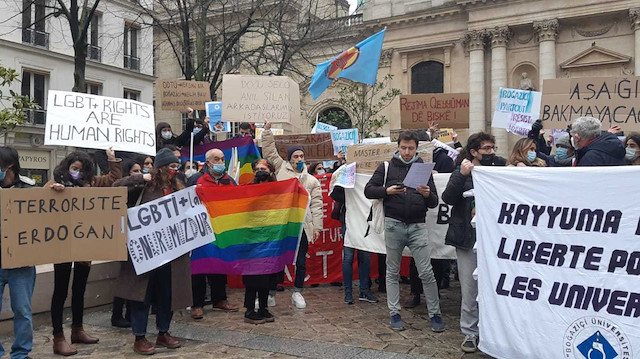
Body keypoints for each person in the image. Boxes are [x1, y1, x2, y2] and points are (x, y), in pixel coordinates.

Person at [364, 131, 445, 332]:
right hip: (394, 224)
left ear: (416, 148)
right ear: (398, 147)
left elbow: (434, 202)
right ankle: (394, 313)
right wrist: (387, 191)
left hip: (417, 225)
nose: (407, 152)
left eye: (411, 148)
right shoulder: (387, 167)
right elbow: (368, 190)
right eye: (403, 148)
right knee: (392, 271)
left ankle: (435, 314)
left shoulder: (423, 169)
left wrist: (427, 194)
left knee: (426, 272)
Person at [113, 148, 191, 355]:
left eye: (177, 166)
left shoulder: (179, 188)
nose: (175, 170)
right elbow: (115, 186)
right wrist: (139, 177)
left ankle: (163, 332)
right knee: (142, 294)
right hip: (146, 251)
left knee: (168, 293)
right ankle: (139, 336)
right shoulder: (144, 185)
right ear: (161, 168)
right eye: (171, 166)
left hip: (172, 251)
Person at [47, 148, 122, 356]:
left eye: (81, 170)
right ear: (67, 167)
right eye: (74, 168)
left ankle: (77, 330)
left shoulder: (93, 182)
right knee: (60, 291)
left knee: (79, 289)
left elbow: (114, 178)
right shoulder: (54, 181)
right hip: (60, 245)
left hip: (83, 245)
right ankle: (58, 337)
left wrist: (111, 158)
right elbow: (40, 203)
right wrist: (54, 190)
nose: (76, 173)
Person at [442, 132, 506, 353]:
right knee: (470, 288)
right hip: (468, 239)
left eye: (492, 148)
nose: (490, 153)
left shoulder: (499, 169)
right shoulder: (461, 171)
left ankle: (493, 331)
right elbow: (448, 199)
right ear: (474, 152)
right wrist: (461, 175)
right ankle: (470, 332)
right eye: (486, 149)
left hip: (494, 239)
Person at [262, 120, 323, 309]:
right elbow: (270, 152)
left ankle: (297, 292)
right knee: (277, 259)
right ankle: (271, 293)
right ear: (289, 159)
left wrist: (317, 227)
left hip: (302, 227)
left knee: (301, 260)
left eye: (301, 156)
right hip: (283, 224)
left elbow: (317, 205)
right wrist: (266, 131)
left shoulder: (311, 180)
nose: (299, 159)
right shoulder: (281, 170)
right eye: (295, 156)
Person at [187, 149, 240, 319]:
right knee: (199, 267)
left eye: (222, 159)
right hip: (200, 230)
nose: (220, 162)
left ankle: (220, 299)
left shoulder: (229, 181)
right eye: (216, 159)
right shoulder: (196, 180)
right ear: (208, 162)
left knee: (219, 264)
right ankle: (197, 304)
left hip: (221, 230)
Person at [0, 146, 37, 359]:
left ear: (9, 166)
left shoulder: (29, 189)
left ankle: (21, 353)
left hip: (21, 262)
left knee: (22, 310)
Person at [243, 159, 280, 324]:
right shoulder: (247, 189)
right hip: (252, 238)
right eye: (256, 169)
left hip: (270, 238)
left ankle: (264, 307)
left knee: (267, 274)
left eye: (262, 168)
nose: (259, 171)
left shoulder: (279, 190)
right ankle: (250, 309)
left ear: (270, 171)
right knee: (253, 276)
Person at [331, 184, 377, 305]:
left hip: (364, 219)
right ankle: (348, 292)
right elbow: (334, 193)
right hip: (348, 219)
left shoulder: (369, 173)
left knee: (365, 256)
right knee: (348, 257)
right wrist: (352, 197)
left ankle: (364, 290)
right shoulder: (347, 172)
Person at [110, 159, 142, 329]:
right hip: (126, 235)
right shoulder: (124, 187)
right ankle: (117, 314)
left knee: (135, 278)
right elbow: (116, 184)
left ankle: (130, 313)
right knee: (125, 277)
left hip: (137, 234)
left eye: (140, 170)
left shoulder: (142, 188)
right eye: (134, 171)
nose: (138, 173)